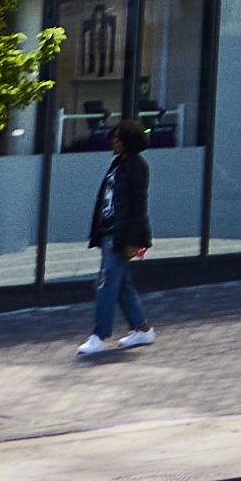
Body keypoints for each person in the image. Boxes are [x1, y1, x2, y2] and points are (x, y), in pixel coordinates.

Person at [79, 114, 154, 358]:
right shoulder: (118, 163)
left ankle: (99, 335)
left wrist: (134, 241)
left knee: (106, 282)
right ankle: (142, 328)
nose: (113, 142)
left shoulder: (136, 166)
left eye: (118, 139)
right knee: (121, 284)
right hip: (109, 231)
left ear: (128, 142)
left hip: (121, 234)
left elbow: (137, 204)